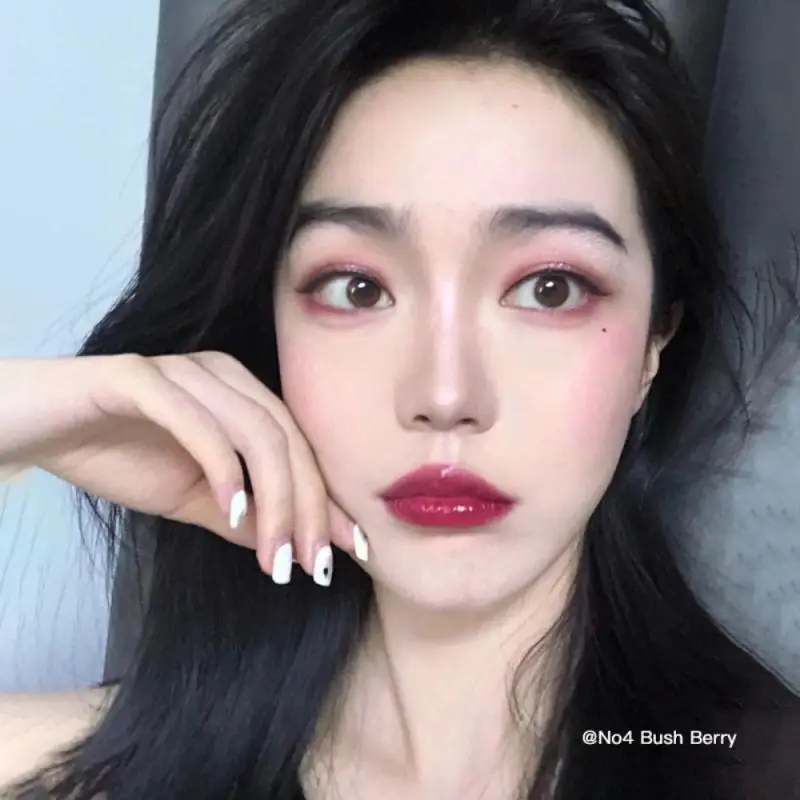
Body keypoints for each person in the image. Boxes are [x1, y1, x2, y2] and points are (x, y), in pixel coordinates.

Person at [1, 0, 800, 797]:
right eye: (356, 288)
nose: (445, 395)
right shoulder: (102, 768)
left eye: (550, 288)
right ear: (269, 334)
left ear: (654, 345)